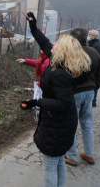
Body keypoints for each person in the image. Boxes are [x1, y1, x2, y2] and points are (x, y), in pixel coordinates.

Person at [20, 12, 91, 187]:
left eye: (57, 43)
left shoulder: (60, 73)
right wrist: (33, 27)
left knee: (50, 166)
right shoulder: (61, 62)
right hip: (59, 123)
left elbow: (64, 103)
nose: (53, 44)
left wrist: (36, 102)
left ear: (63, 50)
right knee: (59, 162)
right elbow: (44, 42)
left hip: (57, 125)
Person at [65, 28, 100, 167]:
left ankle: (71, 157)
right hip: (89, 92)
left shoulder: (70, 53)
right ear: (86, 38)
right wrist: (94, 87)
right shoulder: (94, 52)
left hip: (74, 93)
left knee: (71, 125)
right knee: (87, 124)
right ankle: (89, 155)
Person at [88, 29, 100, 106]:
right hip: (96, 67)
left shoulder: (98, 45)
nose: (88, 35)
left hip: (96, 67)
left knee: (95, 82)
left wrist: (96, 65)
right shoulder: (93, 44)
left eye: (89, 34)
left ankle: (93, 101)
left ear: (94, 37)